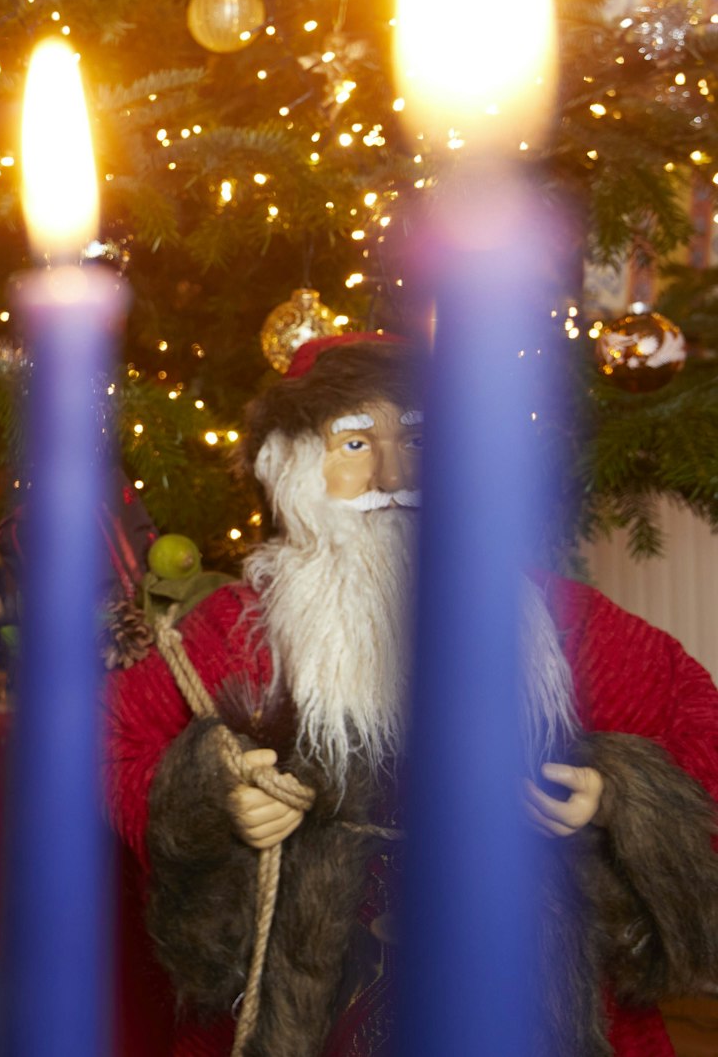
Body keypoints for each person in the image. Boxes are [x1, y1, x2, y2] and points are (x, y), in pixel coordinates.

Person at [107, 334, 718, 1056]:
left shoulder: (553, 620)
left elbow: (696, 722)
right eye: (357, 442)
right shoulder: (237, 633)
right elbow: (111, 740)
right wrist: (212, 796)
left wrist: (616, 788)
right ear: (293, 465)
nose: (394, 473)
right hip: (313, 1010)